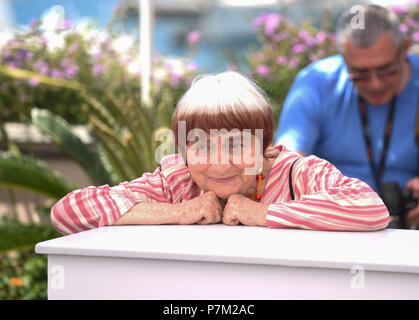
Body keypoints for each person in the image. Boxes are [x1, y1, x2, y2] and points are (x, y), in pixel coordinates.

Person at [50, 71, 389, 235]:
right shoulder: (177, 179)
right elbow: (67, 213)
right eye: (201, 146)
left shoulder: (294, 172)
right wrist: (179, 212)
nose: (219, 163)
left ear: (265, 144)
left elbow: (369, 208)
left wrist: (261, 212)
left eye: (237, 144)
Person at [275, 4, 419, 228]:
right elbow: (286, 162)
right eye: (359, 74)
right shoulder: (316, 82)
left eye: (386, 70)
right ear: (343, 58)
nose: (375, 84)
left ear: (404, 49)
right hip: (333, 220)